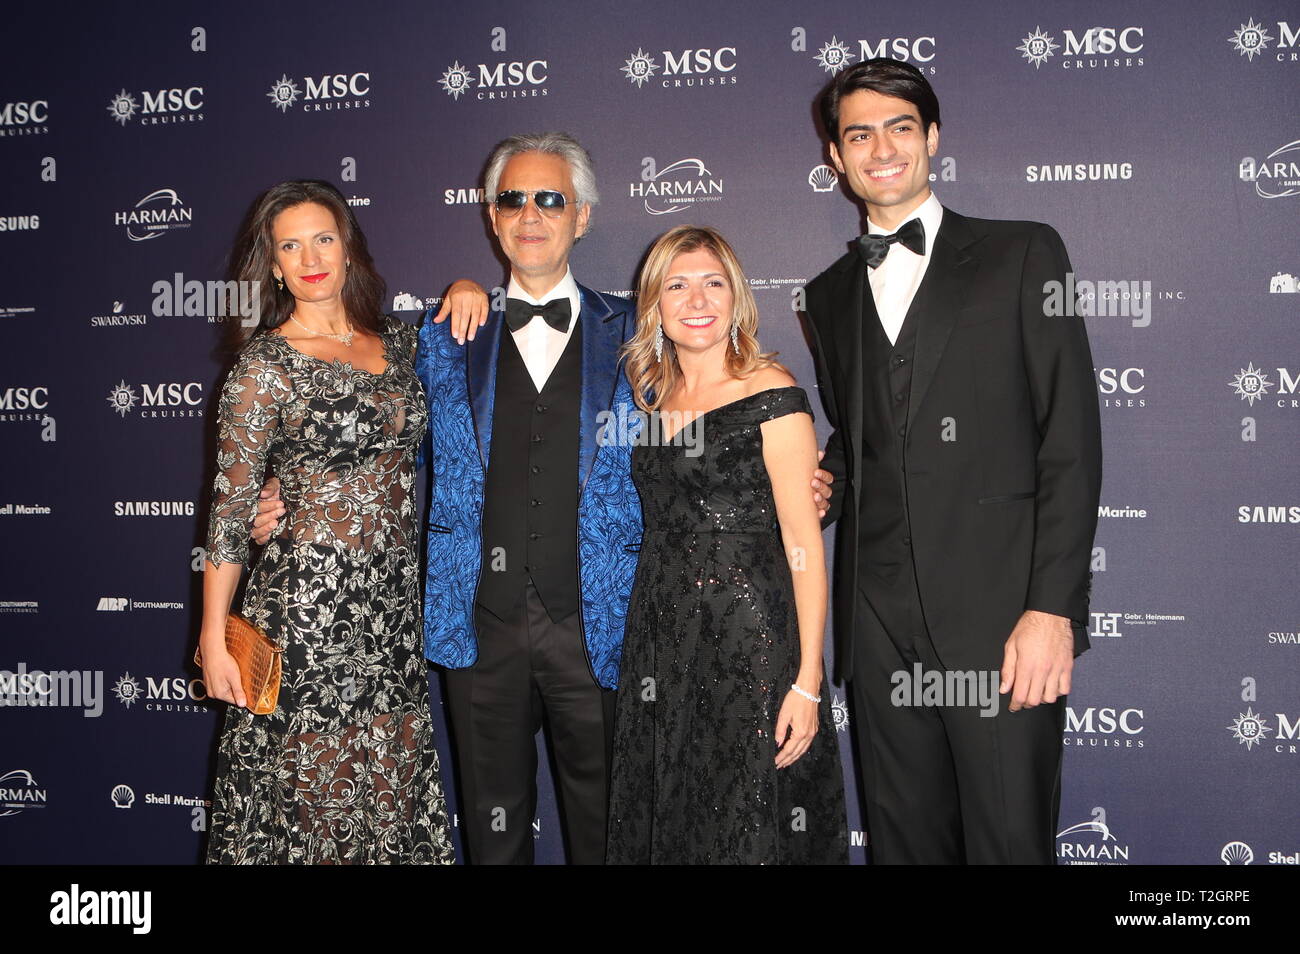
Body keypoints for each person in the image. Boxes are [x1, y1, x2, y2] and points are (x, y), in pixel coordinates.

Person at [804, 59, 1102, 863]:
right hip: (878, 626)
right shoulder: (827, 293)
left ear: (932, 139)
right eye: (858, 134)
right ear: (836, 158)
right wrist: (823, 473)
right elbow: (863, 426)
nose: (881, 148)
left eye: (900, 127)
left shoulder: (1026, 254)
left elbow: (1070, 442)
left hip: (1003, 622)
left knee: (1010, 845)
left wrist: (1053, 611)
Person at [200, 179, 454, 864]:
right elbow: (229, 510)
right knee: (316, 800)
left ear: (349, 250)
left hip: (392, 614)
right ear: (274, 265)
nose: (310, 257)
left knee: (391, 796)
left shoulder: (401, 346)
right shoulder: (262, 366)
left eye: (323, 238)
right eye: (291, 245)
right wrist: (214, 637)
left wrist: (467, 288)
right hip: (305, 614)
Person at [416, 132, 643, 864]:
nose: (530, 213)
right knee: (494, 836)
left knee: (608, 829)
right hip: (481, 626)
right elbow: (362, 427)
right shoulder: (443, 333)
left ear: (582, 216)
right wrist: (278, 493)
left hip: (598, 625)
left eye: (551, 198)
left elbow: (706, 424)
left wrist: (799, 471)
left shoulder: (640, 329)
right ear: (491, 216)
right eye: (512, 198)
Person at [606, 225, 848, 864]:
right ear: (654, 303)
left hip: (751, 641)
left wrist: (806, 681)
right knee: (676, 814)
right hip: (663, 638)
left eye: (713, 283)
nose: (697, 300)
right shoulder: (653, 399)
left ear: (736, 297)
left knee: (745, 817)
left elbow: (802, 543)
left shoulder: (770, 390)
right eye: (677, 285)